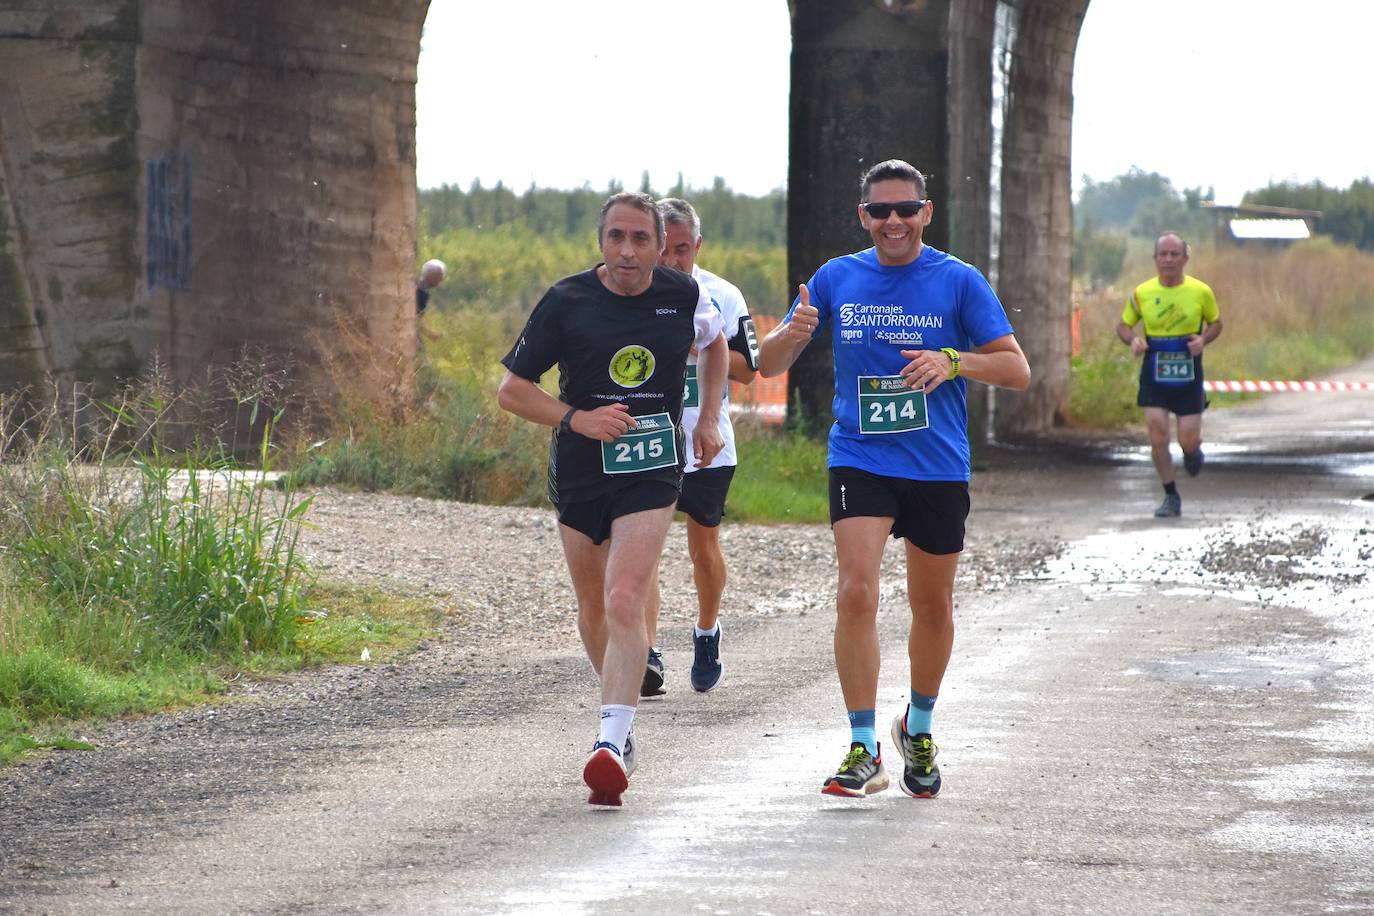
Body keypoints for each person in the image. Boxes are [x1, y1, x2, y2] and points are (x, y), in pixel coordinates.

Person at [757, 159, 1030, 799]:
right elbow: (764, 364)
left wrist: (954, 360)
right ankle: (863, 747)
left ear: (925, 213)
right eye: (880, 211)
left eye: (906, 209)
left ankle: (919, 725)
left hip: (936, 463)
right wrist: (792, 334)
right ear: (864, 217)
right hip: (861, 456)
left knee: (932, 604)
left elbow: (1016, 370)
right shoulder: (837, 277)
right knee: (856, 593)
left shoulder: (958, 280)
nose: (894, 221)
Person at [496, 191, 728, 807]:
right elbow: (513, 390)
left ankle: (611, 739)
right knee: (595, 605)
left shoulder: (683, 295)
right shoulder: (567, 300)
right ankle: (618, 718)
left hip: (652, 464)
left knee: (626, 595)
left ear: (660, 244)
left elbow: (715, 345)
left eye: (641, 238)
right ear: (601, 242)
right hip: (581, 465)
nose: (628, 251)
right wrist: (578, 418)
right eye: (616, 237)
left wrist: (707, 417)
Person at [639, 198, 760, 697]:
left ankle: (707, 631)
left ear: (698, 246)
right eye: (663, 250)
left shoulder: (723, 295)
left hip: (707, 440)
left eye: (682, 250)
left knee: (702, 549)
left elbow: (749, 370)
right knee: (642, 549)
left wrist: (704, 345)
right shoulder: (630, 289)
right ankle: (646, 652)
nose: (671, 260)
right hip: (648, 439)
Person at [1116, 232, 1223, 518]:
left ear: (1185, 258)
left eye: (1174, 254)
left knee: (1187, 439)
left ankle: (1192, 451)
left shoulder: (1200, 291)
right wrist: (1133, 340)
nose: (1168, 260)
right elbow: (1124, 326)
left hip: (1188, 374)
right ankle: (1170, 495)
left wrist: (1203, 340)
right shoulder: (1142, 293)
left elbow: (1216, 323)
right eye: (1163, 254)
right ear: (1155, 259)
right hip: (1154, 372)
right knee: (1158, 435)